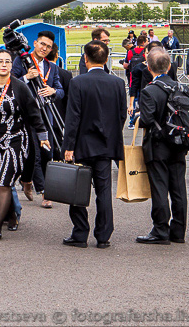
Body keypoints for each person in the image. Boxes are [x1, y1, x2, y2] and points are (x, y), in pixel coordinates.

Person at [0, 48, 50, 240]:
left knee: (5, 182)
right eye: (0, 61)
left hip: (16, 139)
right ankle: (12, 214)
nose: (4, 65)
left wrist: (42, 136)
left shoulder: (19, 87)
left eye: (7, 61)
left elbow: (34, 113)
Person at [62, 40, 127, 249]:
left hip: (82, 143)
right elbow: (121, 114)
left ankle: (80, 233)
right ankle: (104, 235)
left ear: (85, 58)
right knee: (104, 191)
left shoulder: (78, 82)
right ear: (107, 59)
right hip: (107, 144)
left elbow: (73, 117)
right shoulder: (117, 83)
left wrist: (68, 147)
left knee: (78, 189)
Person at [135, 48, 188, 245]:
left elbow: (147, 120)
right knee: (178, 188)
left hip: (158, 145)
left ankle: (160, 229)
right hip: (178, 143)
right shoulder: (180, 87)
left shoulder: (149, 90)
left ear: (148, 68)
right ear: (169, 66)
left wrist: (139, 117)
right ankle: (179, 230)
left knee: (159, 188)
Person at [11, 30, 64, 207]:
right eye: (42, 44)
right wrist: (26, 77)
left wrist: (53, 91)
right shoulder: (21, 61)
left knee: (46, 152)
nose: (44, 48)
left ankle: (37, 186)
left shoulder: (52, 67)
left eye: (48, 47)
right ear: (35, 43)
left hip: (45, 114)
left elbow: (61, 90)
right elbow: (11, 82)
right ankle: (40, 189)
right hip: (26, 114)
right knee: (33, 152)